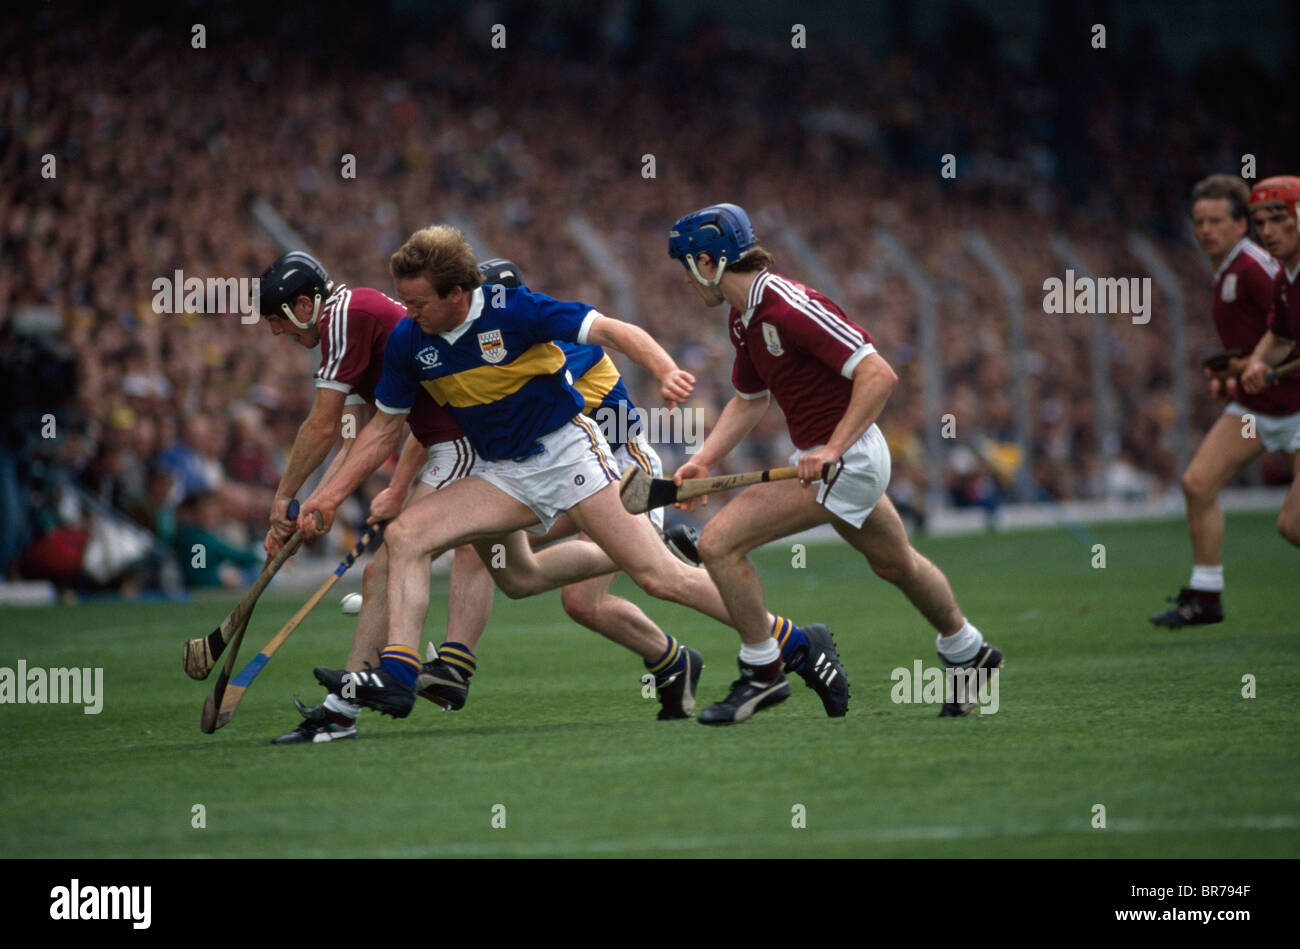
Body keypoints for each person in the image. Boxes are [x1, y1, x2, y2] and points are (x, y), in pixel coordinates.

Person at [298, 225, 843, 722]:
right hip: (500, 472)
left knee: (658, 578)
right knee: (410, 537)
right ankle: (398, 672)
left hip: (570, 459)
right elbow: (385, 430)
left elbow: (613, 328)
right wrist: (327, 495)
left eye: (417, 302)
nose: (406, 312)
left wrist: (665, 370)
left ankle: (793, 641)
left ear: (457, 295)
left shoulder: (518, 313)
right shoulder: (410, 340)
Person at [278, 258, 709, 741]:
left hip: (619, 468)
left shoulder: (554, 351)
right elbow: (451, 412)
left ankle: (453, 664)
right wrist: (399, 486)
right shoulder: (479, 344)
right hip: (548, 474)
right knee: (522, 575)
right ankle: (674, 655)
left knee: (583, 593)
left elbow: (539, 415)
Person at [665, 203, 1000, 721]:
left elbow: (879, 374)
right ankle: (969, 651)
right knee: (896, 563)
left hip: (850, 459)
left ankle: (763, 672)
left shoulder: (787, 305)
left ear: (708, 262)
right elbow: (750, 400)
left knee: (718, 544)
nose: (686, 281)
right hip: (829, 459)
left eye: (686, 267)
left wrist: (832, 449)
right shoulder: (743, 318)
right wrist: (704, 459)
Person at [1150, 175, 1290, 627]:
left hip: (1295, 406)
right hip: (1257, 407)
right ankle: (1207, 595)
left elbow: (1289, 337)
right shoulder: (1229, 268)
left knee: (1293, 526)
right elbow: (1270, 337)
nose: (1205, 230)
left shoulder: (1256, 268)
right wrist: (1232, 378)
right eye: (1199, 222)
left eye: (1216, 221)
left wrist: (1248, 367)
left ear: (1239, 224)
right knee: (1197, 484)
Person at [1238, 175, 1300, 547]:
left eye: (1279, 218)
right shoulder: (1283, 279)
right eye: (1260, 223)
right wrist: (1257, 364)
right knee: (1292, 525)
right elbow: (1281, 337)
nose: (1268, 231)